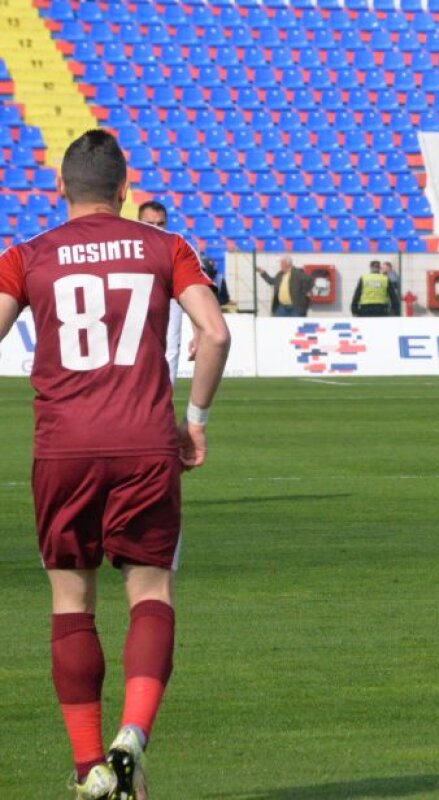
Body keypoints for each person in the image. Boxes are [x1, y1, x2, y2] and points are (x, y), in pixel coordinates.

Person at [0, 129, 231, 798]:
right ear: (126, 192)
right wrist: (196, 422)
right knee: (150, 593)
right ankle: (131, 737)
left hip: (62, 449)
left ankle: (86, 771)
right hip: (144, 444)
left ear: (61, 191)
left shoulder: (27, 254)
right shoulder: (165, 247)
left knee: (71, 601)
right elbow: (214, 332)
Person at [137, 201, 183, 384]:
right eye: (150, 224)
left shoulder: (175, 249)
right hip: (136, 303)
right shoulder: (128, 249)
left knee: (171, 346)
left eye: (160, 224)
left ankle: (166, 397)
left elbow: (194, 292)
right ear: (138, 222)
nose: (156, 229)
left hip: (170, 302)